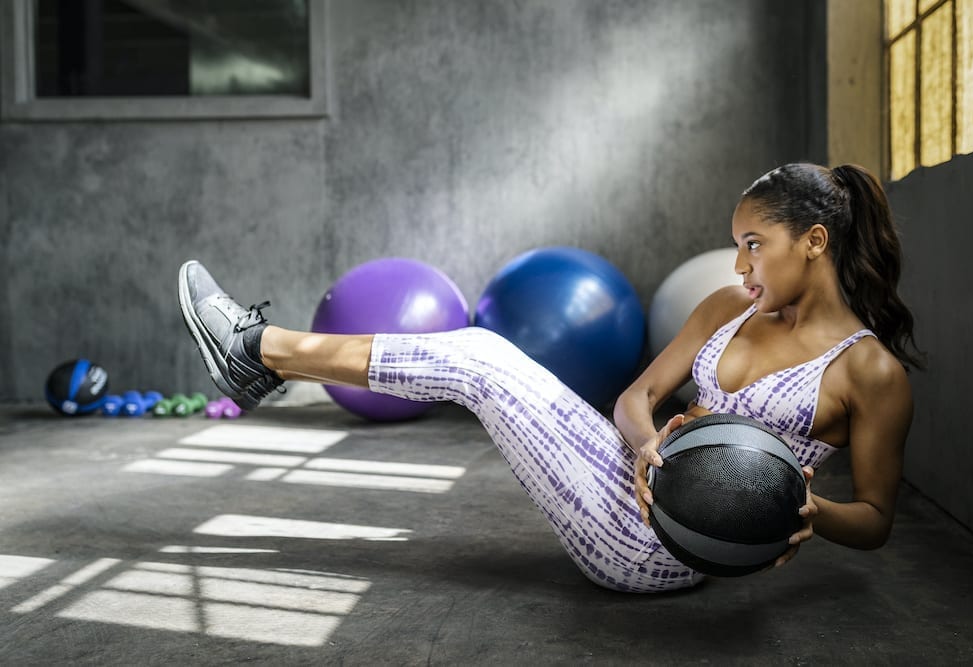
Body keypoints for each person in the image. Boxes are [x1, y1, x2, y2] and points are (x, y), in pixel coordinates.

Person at [178, 162, 920, 594]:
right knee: (480, 353)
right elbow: (636, 399)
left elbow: (878, 519)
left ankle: (258, 350)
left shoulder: (869, 370)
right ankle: (258, 357)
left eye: (754, 245)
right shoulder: (730, 306)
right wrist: (644, 445)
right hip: (636, 480)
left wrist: (812, 511)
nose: (738, 266)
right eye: (737, 247)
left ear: (815, 242)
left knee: (480, 357)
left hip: (665, 548)